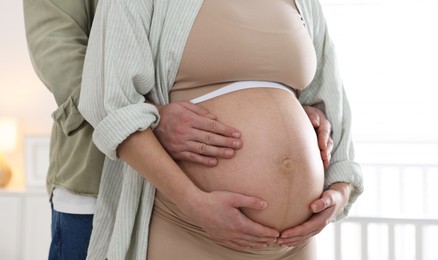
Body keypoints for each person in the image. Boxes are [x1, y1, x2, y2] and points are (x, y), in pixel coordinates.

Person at [22, 0, 336, 259]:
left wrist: (289, 108)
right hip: (101, 178)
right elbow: (61, 54)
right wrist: (151, 117)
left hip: (289, 240)